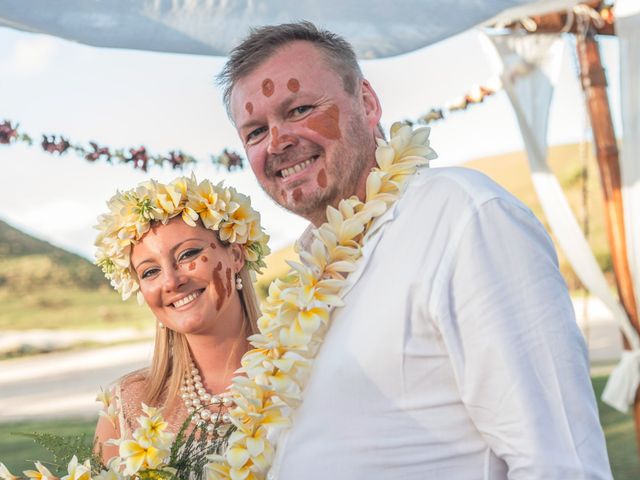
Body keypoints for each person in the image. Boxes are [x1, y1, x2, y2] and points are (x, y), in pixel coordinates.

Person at [217, 21, 613, 479]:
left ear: (366, 103)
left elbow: (560, 462)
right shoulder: (310, 271)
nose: (278, 142)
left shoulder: (462, 216)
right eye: (255, 132)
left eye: (300, 108)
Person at [93, 175, 270, 463]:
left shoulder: (303, 374)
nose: (171, 282)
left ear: (236, 255)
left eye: (188, 253)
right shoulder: (127, 405)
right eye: (150, 272)